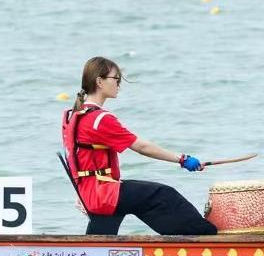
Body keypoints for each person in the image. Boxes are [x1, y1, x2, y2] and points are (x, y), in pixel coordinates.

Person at [61, 56, 217, 236]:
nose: (119, 84)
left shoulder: (74, 115)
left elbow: (77, 159)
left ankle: (93, 247)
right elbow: (142, 147)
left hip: (91, 192)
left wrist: (81, 192)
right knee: (162, 195)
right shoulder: (99, 119)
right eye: (116, 79)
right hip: (103, 193)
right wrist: (182, 159)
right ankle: (206, 237)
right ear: (99, 82)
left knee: (111, 219)